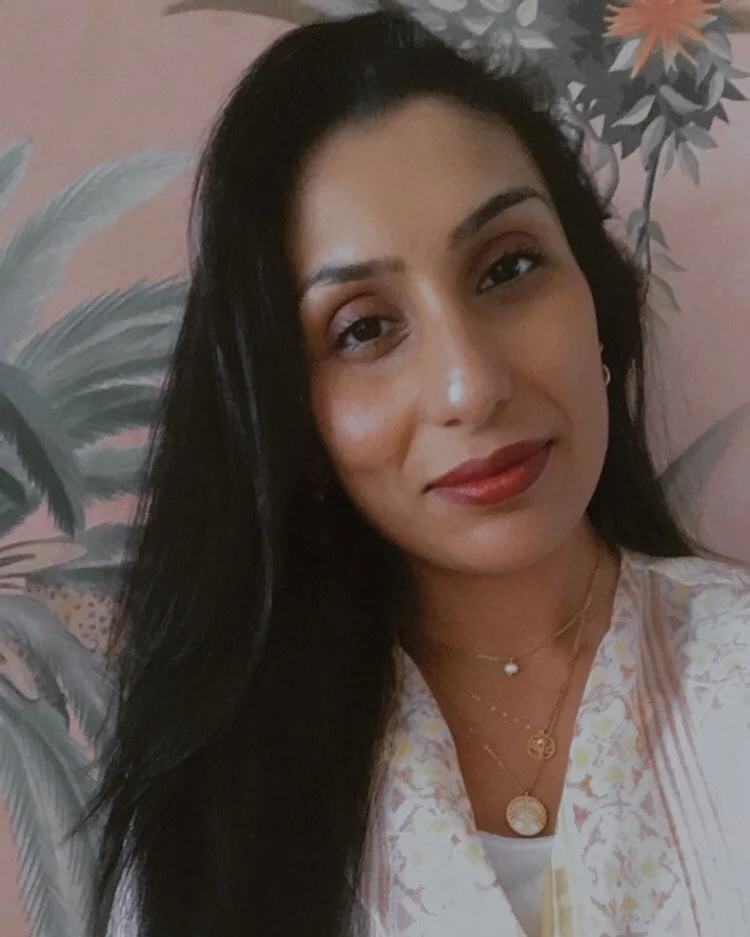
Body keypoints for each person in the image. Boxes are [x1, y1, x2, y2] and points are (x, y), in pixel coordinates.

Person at [90, 10, 750, 937]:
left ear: (596, 301)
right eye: (363, 328)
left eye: (508, 266)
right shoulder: (215, 807)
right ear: (297, 421)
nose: (470, 386)